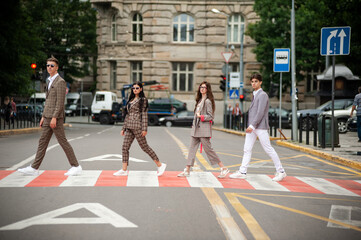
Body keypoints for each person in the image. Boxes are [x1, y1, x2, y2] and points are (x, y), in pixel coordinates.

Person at [18, 56, 82, 176]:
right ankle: (34, 168)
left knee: (62, 141)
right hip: (47, 116)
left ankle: (76, 166)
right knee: (42, 141)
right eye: (48, 65)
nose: (49, 67)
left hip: (55, 117)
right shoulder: (48, 80)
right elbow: (48, 101)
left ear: (57, 68)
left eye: (52, 65)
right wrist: (43, 116)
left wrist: (54, 117)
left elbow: (60, 102)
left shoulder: (60, 82)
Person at [229, 73, 286, 181]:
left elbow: (260, 112)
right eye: (252, 81)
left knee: (268, 149)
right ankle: (242, 171)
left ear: (260, 82)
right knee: (247, 149)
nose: (254, 83)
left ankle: (281, 171)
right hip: (253, 127)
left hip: (260, 127)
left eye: (256, 81)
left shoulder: (263, 95)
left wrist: (252, 125)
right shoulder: (255, 94)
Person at [114, 81, 166, 176]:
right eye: (133, 88)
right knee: (124, 148)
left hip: (138, 127)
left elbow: (144, 115)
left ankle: (160, 165)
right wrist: (123, 128)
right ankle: (124, 170)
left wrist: (144, 129)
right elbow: (127, 115)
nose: (135, 90)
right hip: (129, 126)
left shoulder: (143, 100)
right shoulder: (131, 99)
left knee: (145, 147)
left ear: (141, 89)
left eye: (137, 88)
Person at [178, 81, 229, 178]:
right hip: (196, 129)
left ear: (207, 89)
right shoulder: (200, 100)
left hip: (203, 130)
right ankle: (187, 169)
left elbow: (210, 116)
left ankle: (223, 168)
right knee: (191, 149)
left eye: (204, 87)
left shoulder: (207, 101)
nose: (202, 89)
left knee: (208, 150)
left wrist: (201, 116)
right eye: (201, 87)